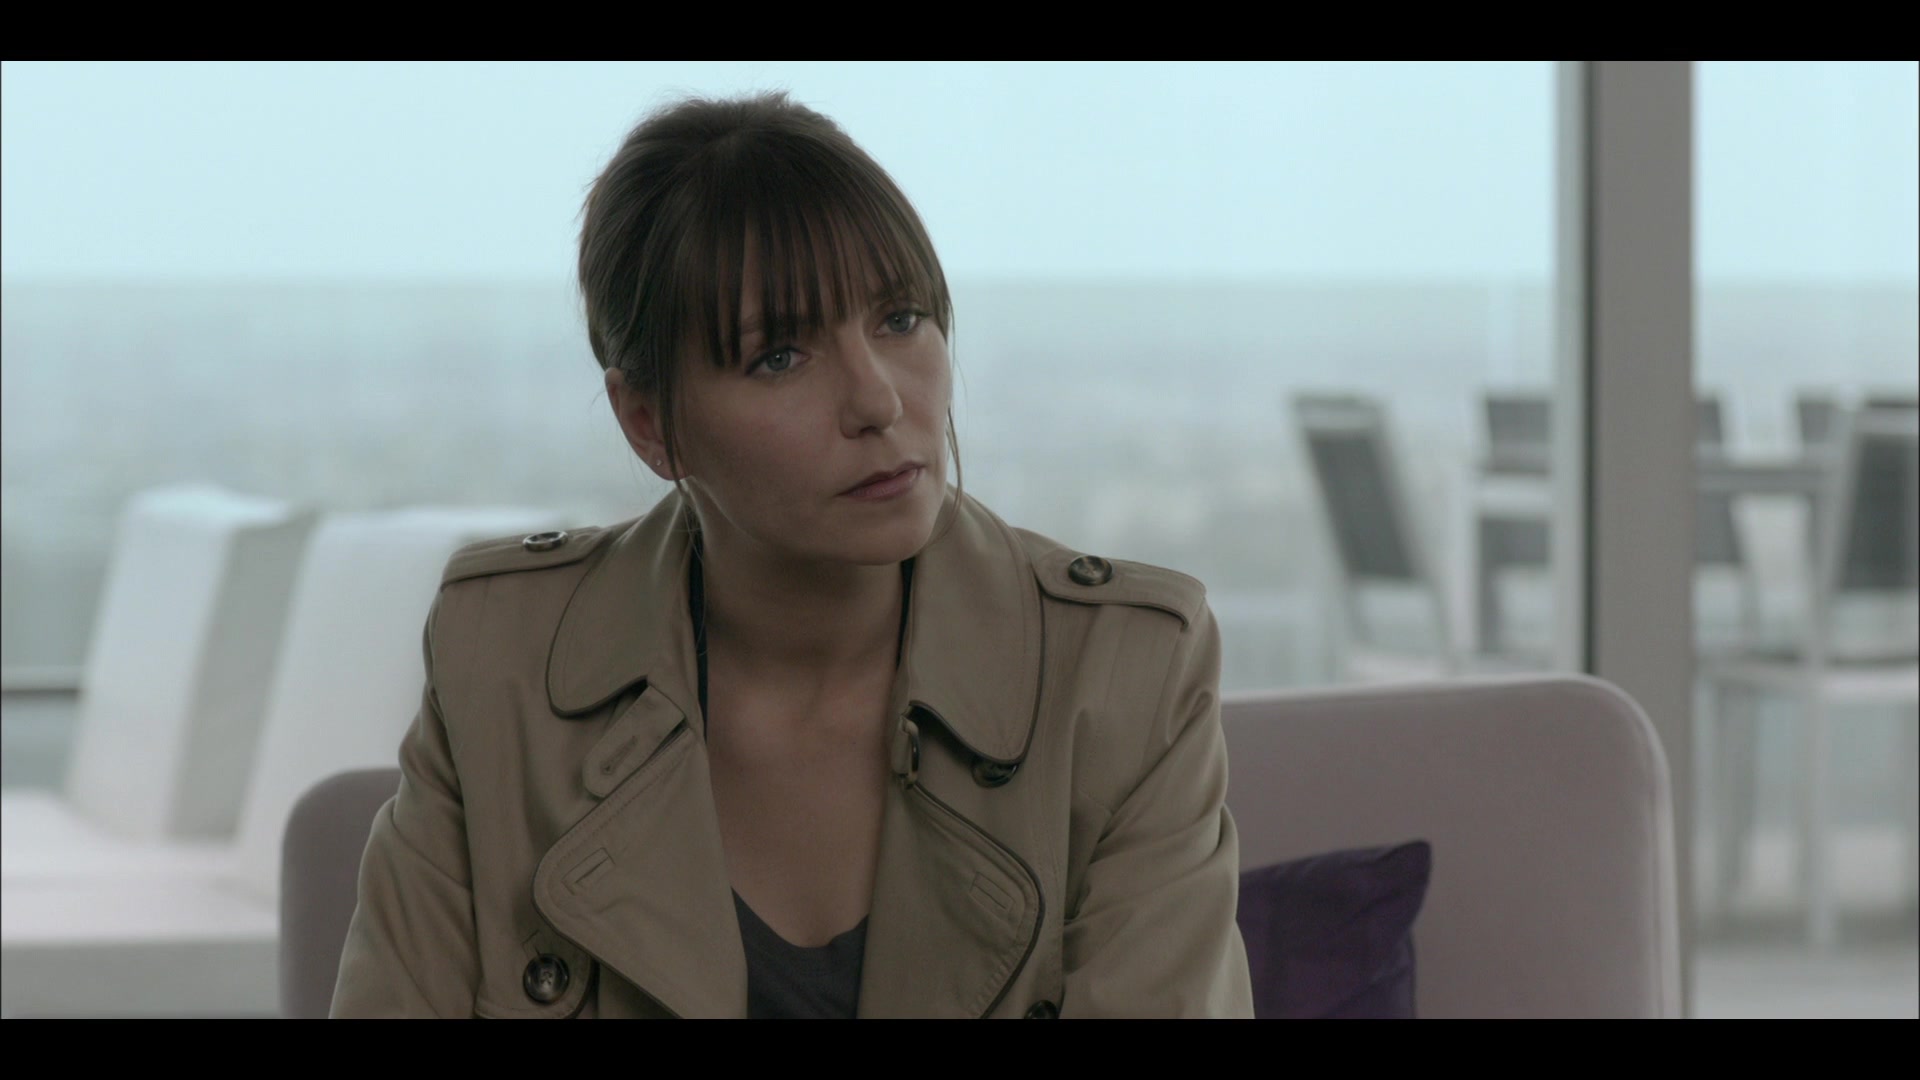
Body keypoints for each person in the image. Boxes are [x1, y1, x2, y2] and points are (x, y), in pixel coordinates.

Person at [330, 90, 1253, 1018]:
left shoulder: (1122, 675)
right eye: (779, 356)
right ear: (650, 425)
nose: (879, 400)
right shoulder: (502, 667)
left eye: (901, 319)